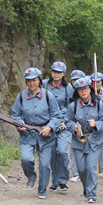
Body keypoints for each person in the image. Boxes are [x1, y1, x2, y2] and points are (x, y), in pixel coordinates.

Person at [11, 68, 62, 199]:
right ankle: (31, 177)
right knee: (26, 159)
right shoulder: (21, 96)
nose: (31, 83)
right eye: (29, 80)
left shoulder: (47, 95)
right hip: (27, 135)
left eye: (34, 80)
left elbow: (56, 116)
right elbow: (15, 115)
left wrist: (49, 127)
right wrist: (20, 124)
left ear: (39, 80)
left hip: (45, 136)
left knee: (45, 164)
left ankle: (42, 190)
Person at [66, 76, 103, 203]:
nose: (83, 91)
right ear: (77, 91)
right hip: (78, 140)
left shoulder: (99, 104)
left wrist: (96, 124)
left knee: (91, 167)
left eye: (85, 89)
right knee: (82, 169)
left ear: (90, 89)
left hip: (95, 140)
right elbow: (67, 121)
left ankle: (92, 194)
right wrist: (72, 126)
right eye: (80, 90)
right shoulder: (72, 106)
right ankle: (86, 188)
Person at [42, 62, 73, 192]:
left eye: (59, 72)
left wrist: (62, 117)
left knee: (62, 151)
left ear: (63, 74)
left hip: (63, 123)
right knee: (53, 153)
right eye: (54, 71)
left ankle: (63, 179)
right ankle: (55, 182)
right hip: (48, 123)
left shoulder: (68, 88)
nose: (56, 74)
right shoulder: (44, 84)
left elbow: (71, 106)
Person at [69, 69, 86, 182]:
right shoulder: (68, 91)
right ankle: (76, 173)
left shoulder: (86, 91)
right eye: (74, 80)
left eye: (78, 79)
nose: (76, 82)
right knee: (72, 148)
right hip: (72, 122)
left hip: (86, 124)